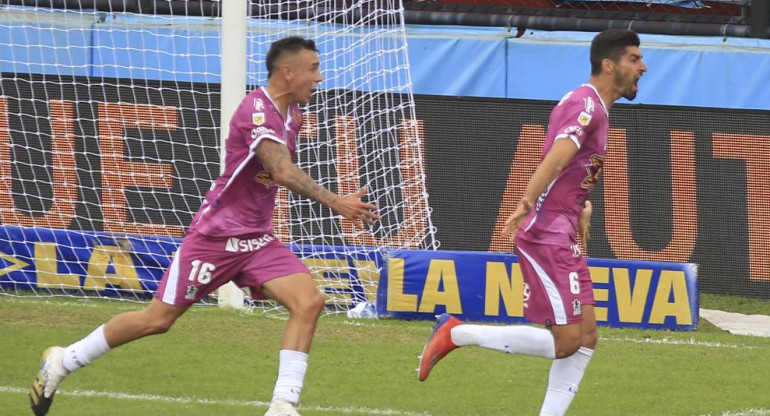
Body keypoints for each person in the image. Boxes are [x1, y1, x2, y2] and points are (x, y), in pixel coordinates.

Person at [29, 36, 380, 416]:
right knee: (156, 320)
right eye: (313, 68)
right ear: (287, 71)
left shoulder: (294, 114)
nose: (320, 77)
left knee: (309, 301)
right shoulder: (255, 112)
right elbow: (280, 169)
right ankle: (65, 359)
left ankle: (282, 406)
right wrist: (336, 202)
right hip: (214, 238)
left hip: (257, 240)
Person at [417, 29, 647, 416]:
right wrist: (527, 200)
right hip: (547, 233)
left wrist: (581, 208)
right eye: (634, 59)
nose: (643, 66)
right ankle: (455, 333)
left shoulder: (592, 106)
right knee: (566, 342)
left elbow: (571, 169)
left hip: (564, 228)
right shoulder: (586, 106)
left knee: (587, 335)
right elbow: (558, 157)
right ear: (609, 64)